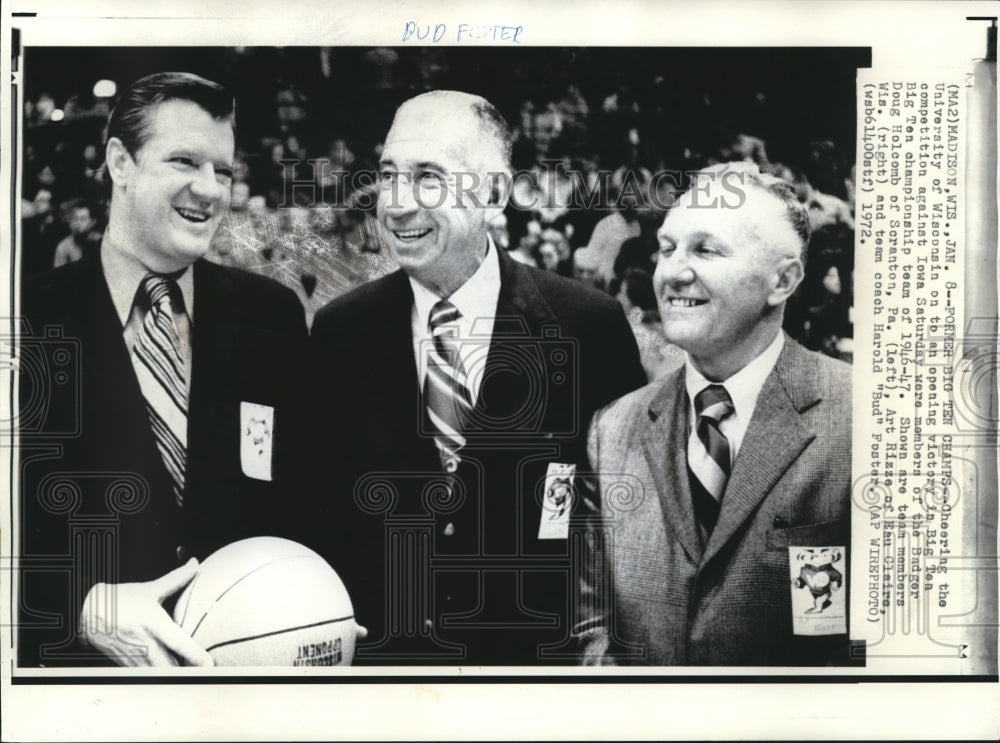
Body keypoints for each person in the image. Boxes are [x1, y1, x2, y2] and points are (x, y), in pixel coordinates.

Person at [306, 90, 645, 665]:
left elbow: (630, 519)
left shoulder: (587, 326)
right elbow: (315, 511)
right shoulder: (340, 332)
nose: (396, 204)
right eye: (388, 176)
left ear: (492, 194)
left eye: (428, 178)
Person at [19, 72, 308, 667]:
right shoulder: (24, 319)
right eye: (184, 161)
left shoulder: (271, 315)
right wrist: (80, 606)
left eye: (223, 171)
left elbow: (301, 502)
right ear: (120, 162)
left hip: (242, 687)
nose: (209, 190)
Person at [575, 163, 852, 666]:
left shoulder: (866, 418)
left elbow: (887, 645)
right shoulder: (611, 430)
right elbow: (589, 621)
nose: (673, 272)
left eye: (705, 249)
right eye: (667, 248)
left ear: (783, 280)